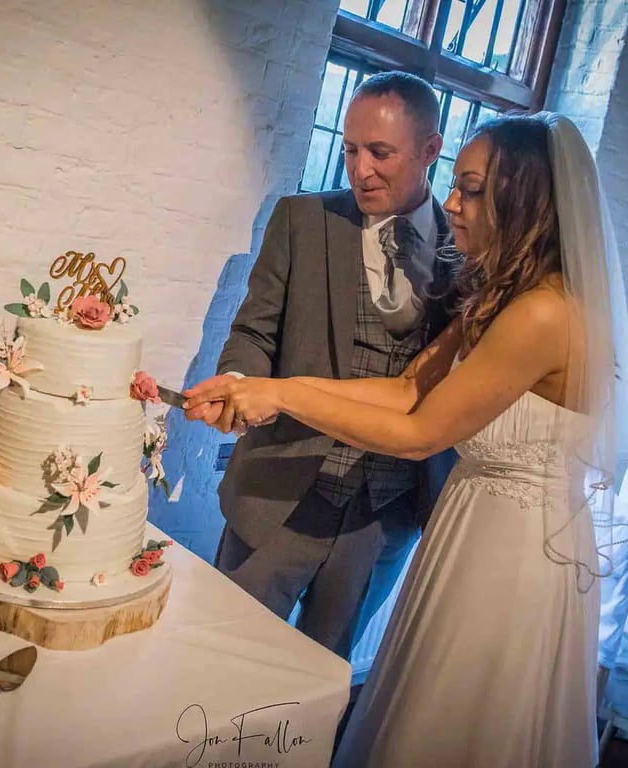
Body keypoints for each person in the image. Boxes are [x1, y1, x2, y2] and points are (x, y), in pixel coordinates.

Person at [184, 112, 628, 767]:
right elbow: (408, 388)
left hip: (510, 555)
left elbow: (420, 432)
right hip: (465, 528)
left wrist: (282, 396)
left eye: (471, 190)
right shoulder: (509, 297)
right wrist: (268, 386)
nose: (452, 204)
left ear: (524, 199)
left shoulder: (543, 313)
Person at [184, 71, 459, 659]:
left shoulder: (465, 258)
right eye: (351, 150)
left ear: (431, 149)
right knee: (219, 661)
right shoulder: (302, 220)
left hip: (384, 518)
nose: (361, 170)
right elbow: (254, 331)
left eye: (380, 152)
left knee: (321, 679)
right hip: (278, 495)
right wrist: (238, 384)